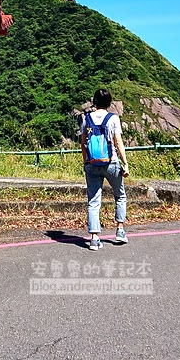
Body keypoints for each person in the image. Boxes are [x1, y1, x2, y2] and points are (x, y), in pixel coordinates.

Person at [80, 88, 129, 250]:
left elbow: (83, 143)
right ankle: (120, 230)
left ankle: (94, 238)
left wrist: (86, 162)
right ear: (109, 103)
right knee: (120, 195)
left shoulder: (87, 118)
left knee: (93, 201)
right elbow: (118, 142)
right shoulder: (113, 118)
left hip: (92, 164)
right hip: (111, 163)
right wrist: (125, 163)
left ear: (94, 102)